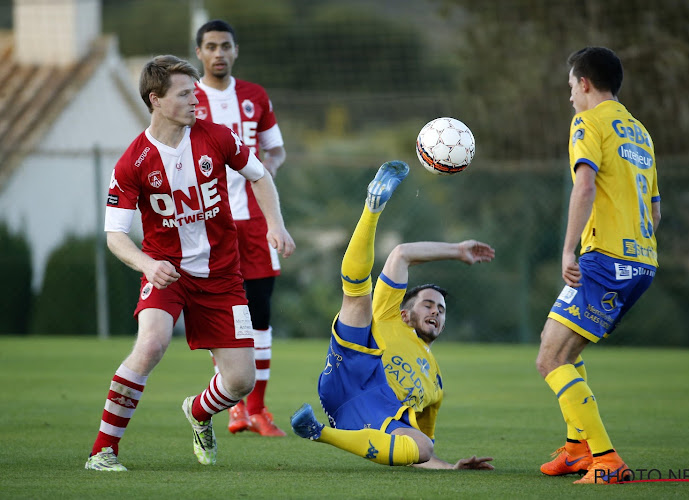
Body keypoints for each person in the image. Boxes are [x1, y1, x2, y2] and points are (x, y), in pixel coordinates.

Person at [84, 55, 295, 471]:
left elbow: (259, 175)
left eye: (195, 91)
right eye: (184, 93)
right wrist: (146, 264)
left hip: (222, 276)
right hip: (168, 273)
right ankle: (103, 451)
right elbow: (114, 236)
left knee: (240, 382)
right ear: (156, 99)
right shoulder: (133, 162)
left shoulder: (218, 136)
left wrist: (276, 225)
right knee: (151, 345)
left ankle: (199, 412)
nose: (195, 99)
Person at [290, 160, 495, 469]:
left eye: (441, 309)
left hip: (372, 416)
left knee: (423, 446)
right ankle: (372, 208)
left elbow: (417, 449)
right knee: (359, 301)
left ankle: (318, 432)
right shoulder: (390, 315)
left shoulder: (435, 384)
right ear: (405, 314)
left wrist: (451, 468)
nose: (435, 312)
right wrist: (456, 250)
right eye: (427, 304)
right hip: (350, 371)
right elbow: (401, 254)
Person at [536, 47, 660, 485]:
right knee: (568, 353)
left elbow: (584, 185)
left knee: (550, 359)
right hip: (642, 261)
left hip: (605, 259)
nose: (570, 97)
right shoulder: (640, 132)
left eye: (571, 87)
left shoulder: (588, 122)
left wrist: (569, 251)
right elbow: (655, 209)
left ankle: (606, 459)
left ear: (584, 83)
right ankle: (576, 450)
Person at [194, 19, 288, 437]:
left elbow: (277, 150)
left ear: (235, 51)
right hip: (206, 224)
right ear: (199, 53)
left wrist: (265, 172)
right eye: (210, 46)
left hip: (253, 222)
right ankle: (233, 407)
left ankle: (259, 409)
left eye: (225, 46)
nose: (218, 53)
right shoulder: (187, 97)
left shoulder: (254, 97)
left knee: (261, 313)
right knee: (222, 318)